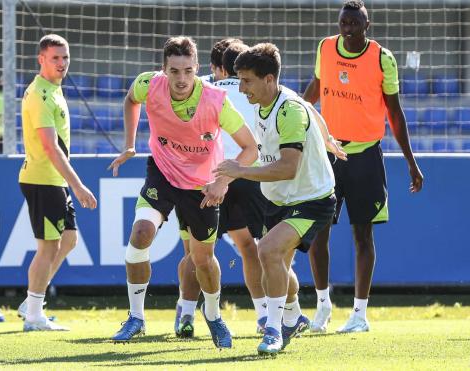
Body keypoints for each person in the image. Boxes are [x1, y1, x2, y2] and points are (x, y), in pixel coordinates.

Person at [108, 36, 258, 349]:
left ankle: (214, 317)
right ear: (164, 70)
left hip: (201, 186)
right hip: (162, 173)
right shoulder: (149, 84)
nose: (181, 79)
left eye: (188, 71)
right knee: (140, 233)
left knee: (202, 260)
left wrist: (222, 183)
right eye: (174, 71)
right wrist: (129, 144)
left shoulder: (216, 100)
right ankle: (136, 318)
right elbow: (130, 100)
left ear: (197, 69)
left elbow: (250, 149)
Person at [215, 42, 345, 355]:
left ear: (269, 79)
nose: (241, 87)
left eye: (247, 80)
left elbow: (288, 167)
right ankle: (293, 317)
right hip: (279, 200)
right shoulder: (272, 100)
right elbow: (311, 108)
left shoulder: (289, 111)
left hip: (311, 199)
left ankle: (273, 330)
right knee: (280, 270)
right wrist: (326, 138)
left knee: (268, 252)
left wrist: (239, 171)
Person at [302, 0, 424, 333]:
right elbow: (316, 86)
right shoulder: (326, 48)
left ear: (366, 26)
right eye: (344, 22)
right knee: (317, 234)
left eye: (355, 23)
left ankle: (359, 314)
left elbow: (395, 114)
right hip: (329, 153)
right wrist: (297, 110)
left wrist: (411, 162)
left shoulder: (383, 59)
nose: (348, 28)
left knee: (362, 235)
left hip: (366, 156)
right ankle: (323, 306)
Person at [173, 39, 270, 338]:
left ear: (217, 68)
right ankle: (265, 315)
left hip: (205, 179)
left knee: (196, 253)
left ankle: (186, 313)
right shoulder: (254, 93)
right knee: (250, 248)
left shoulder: (203, 90)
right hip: (245, 175)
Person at [19, 34, 97, 332]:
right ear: (41, 59)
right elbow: (50, 148)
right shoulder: (40, 94)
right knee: (48, 247)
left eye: (65, 57)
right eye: (55, 58)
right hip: (42, 178)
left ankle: (31, 302)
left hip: (52, 179)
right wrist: (77, 185)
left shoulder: (53, 90)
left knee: (69, 240)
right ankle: (34, 314)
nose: (62, 63)